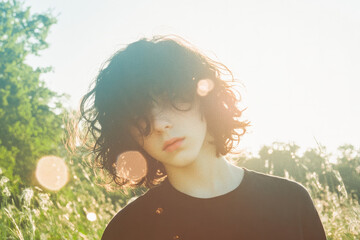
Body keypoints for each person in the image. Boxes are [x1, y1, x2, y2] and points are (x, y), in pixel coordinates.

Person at [79, 35, 327, 240]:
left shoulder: (289, 202)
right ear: (127, 134)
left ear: (203, 95)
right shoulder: (128, 230)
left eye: (171, 98)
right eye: (138, 116)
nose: (159, 124)